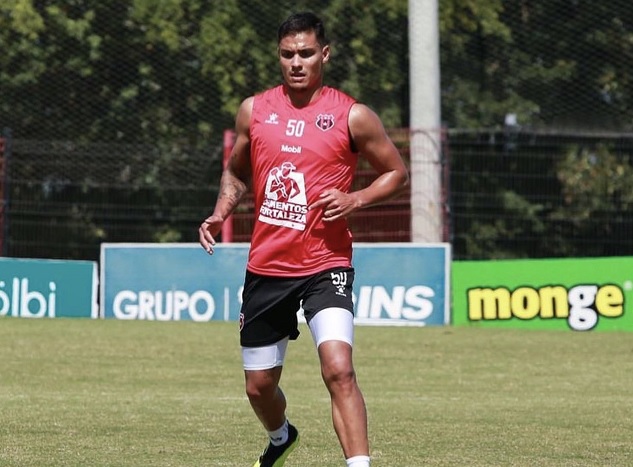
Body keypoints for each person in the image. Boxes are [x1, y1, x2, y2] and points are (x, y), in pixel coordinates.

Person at [198, 11, 409, 467]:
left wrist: (355, 199)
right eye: (287, 54)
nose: (296, 62)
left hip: (326, 264)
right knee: (259, 387)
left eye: (306, 53)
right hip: (267, 268)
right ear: (278, 56)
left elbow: (396, 173)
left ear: (324, 55)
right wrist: (220, 212)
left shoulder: (352, 116)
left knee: (339, 369)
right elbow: (236, 172)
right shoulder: (255, 110)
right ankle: (281, 437)